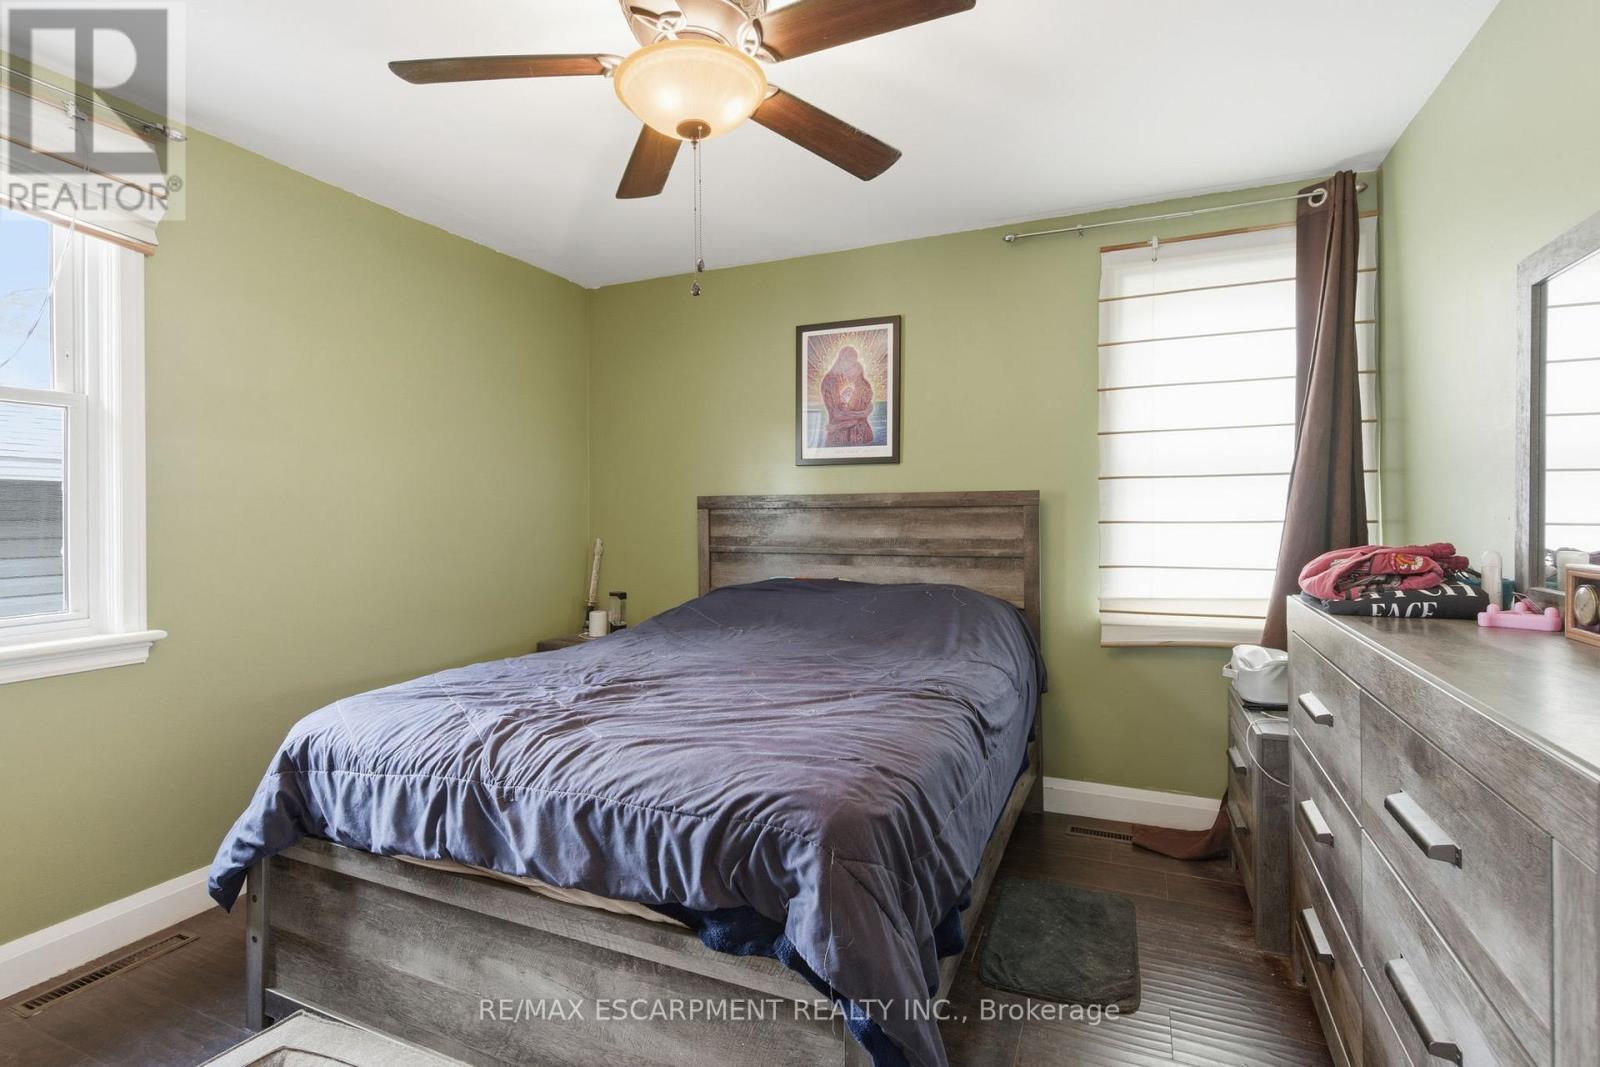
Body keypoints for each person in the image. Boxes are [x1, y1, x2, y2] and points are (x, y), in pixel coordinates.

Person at [819, 346, 875, 447]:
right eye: (851, 363)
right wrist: (864, 413)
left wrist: (866, 409)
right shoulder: (831, 381)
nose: (851, 367)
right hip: (838, 438)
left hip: (849, 436)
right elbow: (836, 414)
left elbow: (860, 403)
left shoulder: (846, 380)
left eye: (854, 364)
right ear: (842, 359)